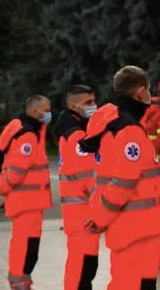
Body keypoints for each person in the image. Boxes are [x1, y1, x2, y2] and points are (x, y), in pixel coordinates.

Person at [83, 66, 160, 289]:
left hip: (138, 227)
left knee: (140, 283)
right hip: (136, 228)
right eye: (148, 91)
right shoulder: (128, 129)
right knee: (128, 284)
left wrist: (101, 217)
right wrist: (101, 218)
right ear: (141, 92)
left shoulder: (118, 124)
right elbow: (123, 183)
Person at [0, 95, 53, 290]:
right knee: (25, 242)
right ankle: (18, 278)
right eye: (46, 110)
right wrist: (5, 187)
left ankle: (20, 276)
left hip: (30, 201)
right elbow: (18, 169)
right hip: (26, 201)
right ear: (36, 112)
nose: (49, 113)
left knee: (28, 241)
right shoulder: (28, 135)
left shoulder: (30, 130)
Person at [53, 85, 99, 290]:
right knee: (82, 267)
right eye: (88, 103)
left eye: (94, 101)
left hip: (79, 212)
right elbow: (89, 176)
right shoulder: (75, 135)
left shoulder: (73, 129)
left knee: (83, 265)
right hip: (82, 213)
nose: (93, 106)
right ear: (74, 105)